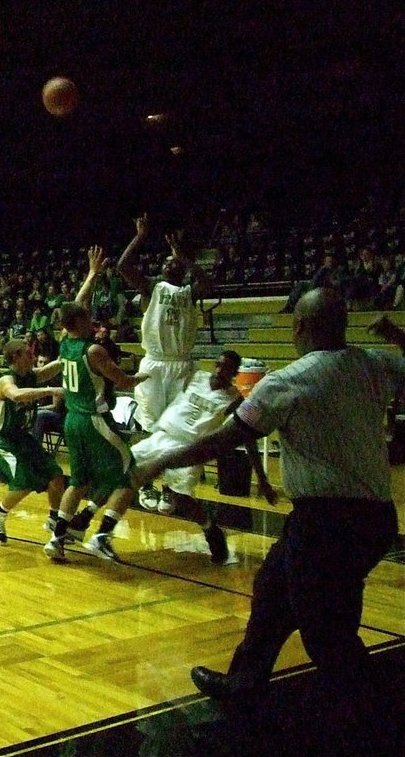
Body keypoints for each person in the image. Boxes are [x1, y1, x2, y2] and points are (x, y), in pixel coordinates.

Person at [133, 289, 401, 700]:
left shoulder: (286, 383)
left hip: (327, 523)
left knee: (327, 633)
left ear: (298, 326)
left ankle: (370, 716)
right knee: (273, 591)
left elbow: (223, 440)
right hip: (375, 519)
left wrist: (160, 460)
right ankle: (244, 682)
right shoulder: (374, 364)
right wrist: (396, 333)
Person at [44, 246, 149, 563]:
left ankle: (59, 537)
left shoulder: (66, 340)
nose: (93, 315)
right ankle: (102, 536)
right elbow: (124, 382)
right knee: (131, 473)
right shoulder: (94, 351)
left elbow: (78, 304)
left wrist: (91, 274)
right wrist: (148, 373)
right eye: (88, 314)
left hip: (72, 420)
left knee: (79, 481)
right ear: (83, 320)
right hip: (95, 420)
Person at [131, 350, 275, 562]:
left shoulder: (234, 399)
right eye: (217, 364)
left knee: (183, 500)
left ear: (234, 373)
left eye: (225, 367)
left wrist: (262, 478)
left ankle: (211, 530)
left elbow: (247, 437)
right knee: (123, 467)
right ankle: (92, 520)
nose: (219, 369)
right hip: (164, 434)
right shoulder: (195, 377)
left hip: (191, 449)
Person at [117, 213, 212, 510]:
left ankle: (171, 489)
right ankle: (145, 484)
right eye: (165, 263)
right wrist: (140, 236)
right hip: (155, 364)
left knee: (179, 429)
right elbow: (123, 266)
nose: (168, 264)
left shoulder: (189, 292)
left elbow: (208, 283)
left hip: (181, 364)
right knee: (149, 426)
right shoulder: (153, 289)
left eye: (173, 263)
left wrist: (184, 257)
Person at [0, 339, 66, 545]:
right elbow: (16, 395)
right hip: (3, 440)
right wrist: (50, 391)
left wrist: (69, 355)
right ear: (16, 357)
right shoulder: (6, 380)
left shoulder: (30, 375)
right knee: (24, 482)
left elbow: (50, 369)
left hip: (23, 438)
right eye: (28, 355)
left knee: (56, 477)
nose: (33, 357)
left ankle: (54, 520)